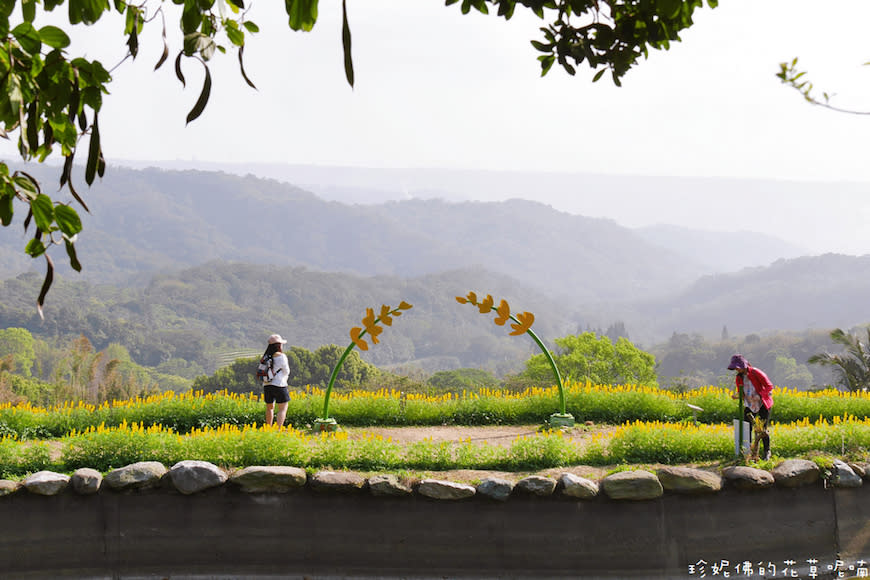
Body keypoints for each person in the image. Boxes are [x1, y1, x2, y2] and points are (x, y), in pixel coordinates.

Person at [727, 354, 774, 460]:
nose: (737, 369)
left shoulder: (755, 372)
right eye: (735, 368)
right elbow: (741, 392)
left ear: (743, 365)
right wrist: (737, 396)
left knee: (762, 429)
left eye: (738, 367)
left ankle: (767, 451)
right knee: (747, 427)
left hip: (762, 403)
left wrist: (760, 395)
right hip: (749, 404)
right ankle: (747, 452)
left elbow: (769, 386)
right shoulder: (739, 377)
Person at [261, 334, 291, 427]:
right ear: (278, 345)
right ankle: (278, 429)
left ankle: (268, 428)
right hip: (279, 384)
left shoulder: (265, 357)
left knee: (269, 408)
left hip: (267, 385)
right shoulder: (281, 357)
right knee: (282, 408)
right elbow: (287, 371)